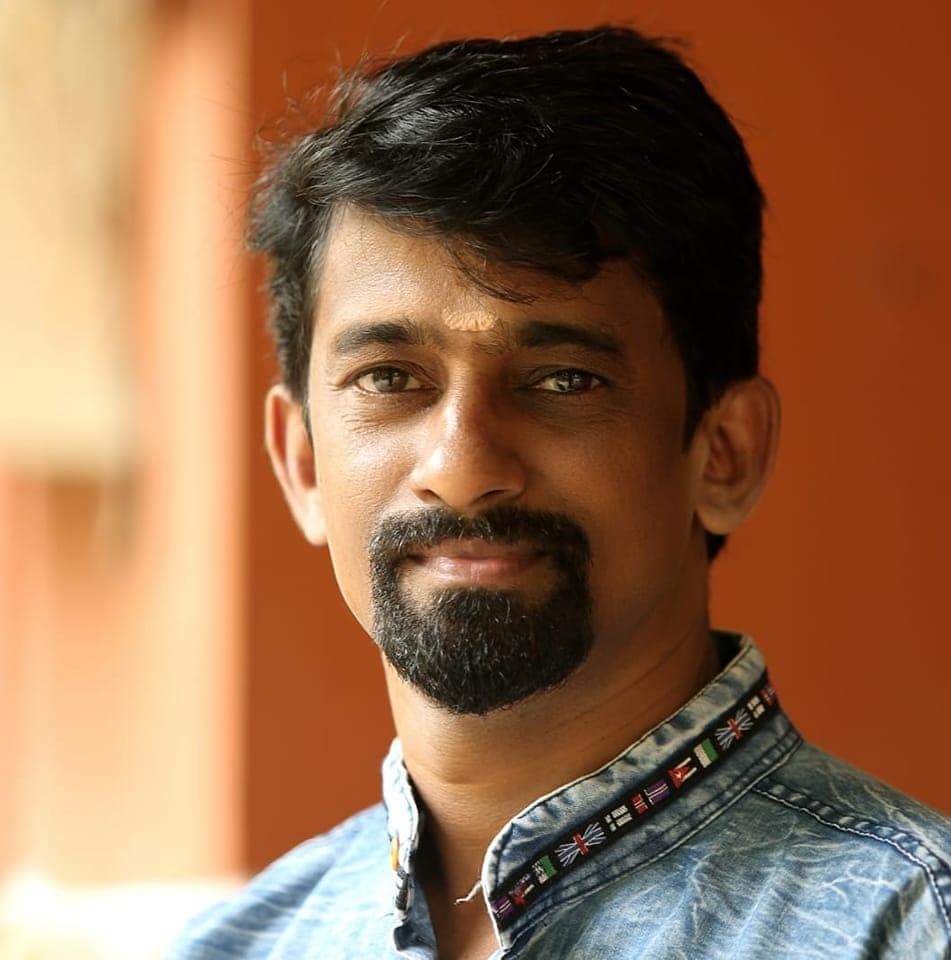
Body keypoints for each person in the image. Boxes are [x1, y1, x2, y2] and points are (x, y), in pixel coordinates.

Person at [167, 24, 951, 960]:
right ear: (300, 460)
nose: (461, 464)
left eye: (562, 380)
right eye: (389, 378)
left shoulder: (908, 927)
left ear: (724, 454)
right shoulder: (236, 947)